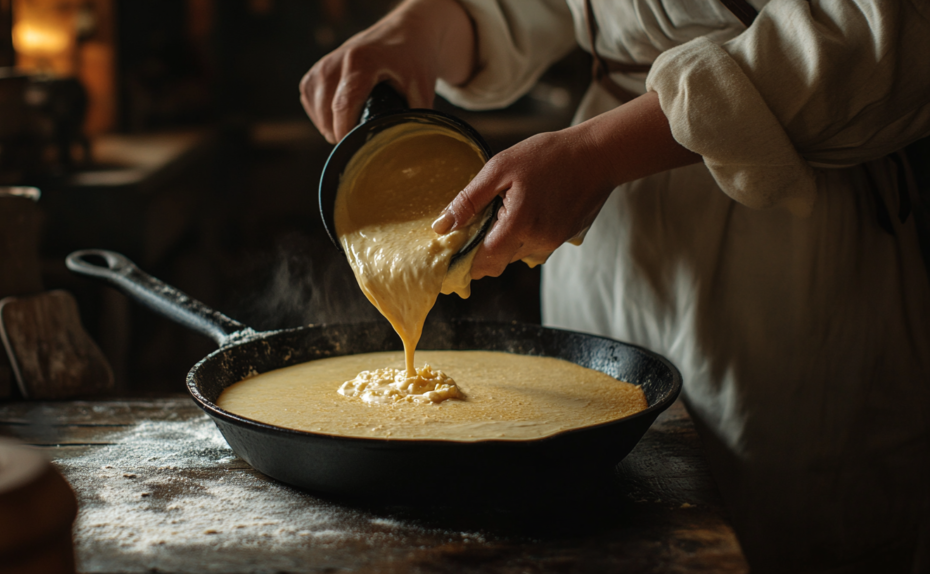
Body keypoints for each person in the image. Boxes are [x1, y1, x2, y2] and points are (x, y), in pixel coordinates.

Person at [299, 1, 930, 571]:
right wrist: (426, 24)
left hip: (784, 246)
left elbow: (885, 35)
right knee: (597, 520)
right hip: (602, 250)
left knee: (777, 529)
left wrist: (603, 152)